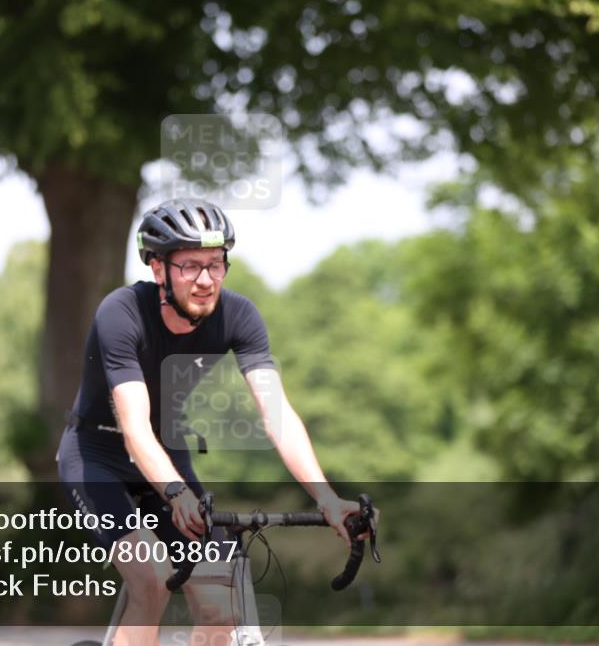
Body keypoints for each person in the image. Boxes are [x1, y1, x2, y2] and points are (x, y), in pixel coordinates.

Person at [57, 199, 371, 646]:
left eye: (216, 264)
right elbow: (134, 428)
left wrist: (326, 498)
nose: (205, 280)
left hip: (169, 453)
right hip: (97, 456)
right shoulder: (121, 313)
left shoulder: (239, 316)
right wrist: (175, 494)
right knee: (151, 580)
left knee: (220, 605)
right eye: (189, 266)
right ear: (158, 268)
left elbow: (277, 416)